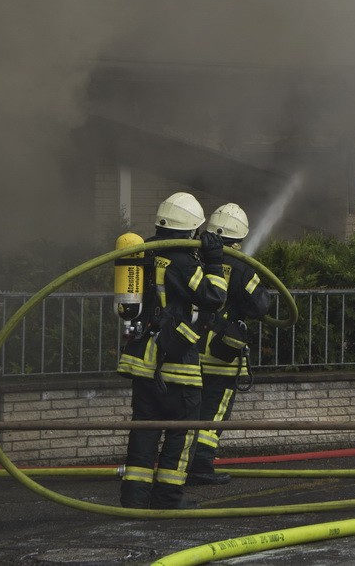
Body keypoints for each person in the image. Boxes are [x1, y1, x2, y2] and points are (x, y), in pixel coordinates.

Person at [117, 192, 228, 509]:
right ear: (192, 229)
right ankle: (167, 500)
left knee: (144, 433)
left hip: (142, 362)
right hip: (176, 363)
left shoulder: (143, 254)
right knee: (181, 434)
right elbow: (213, 296)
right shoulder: (182, 262)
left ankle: (134, 500)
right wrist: (214, 261)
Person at [187, 203, 271, 486]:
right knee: (214, 414)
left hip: (188, 351)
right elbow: (261, 304)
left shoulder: (194, 258)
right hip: (221, 356)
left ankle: (180, 464)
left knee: (190, 412)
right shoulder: (241, 267)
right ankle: (201, 467)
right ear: (240, 236)